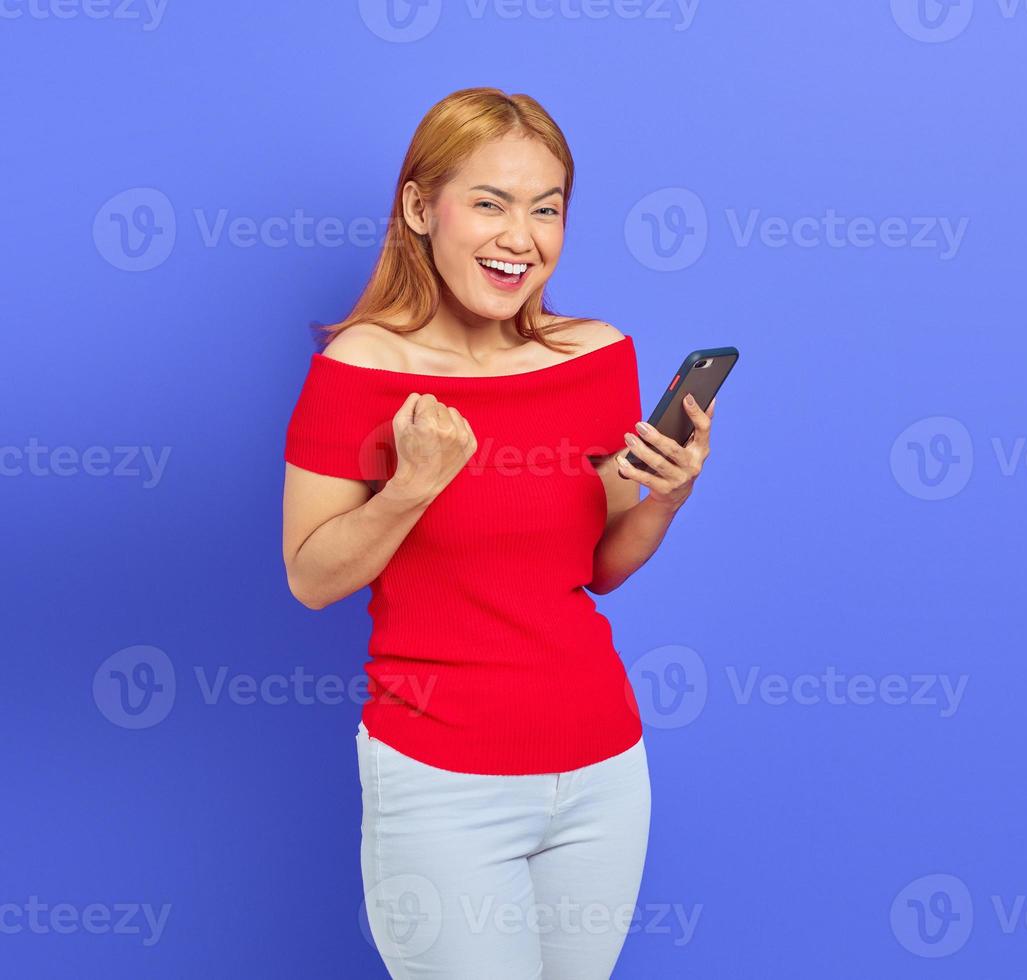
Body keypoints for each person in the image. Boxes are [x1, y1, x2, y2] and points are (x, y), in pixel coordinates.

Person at [280, 86, 717, 979]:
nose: (522, 237)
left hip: (602, 768)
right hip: (441, 780)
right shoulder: (359, 368)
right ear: (418, 207)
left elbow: (595, 568)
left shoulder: (596, 355)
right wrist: (412, 489)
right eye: (489, 203)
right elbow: (312, 576)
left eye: (546, 209)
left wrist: (665, 500)